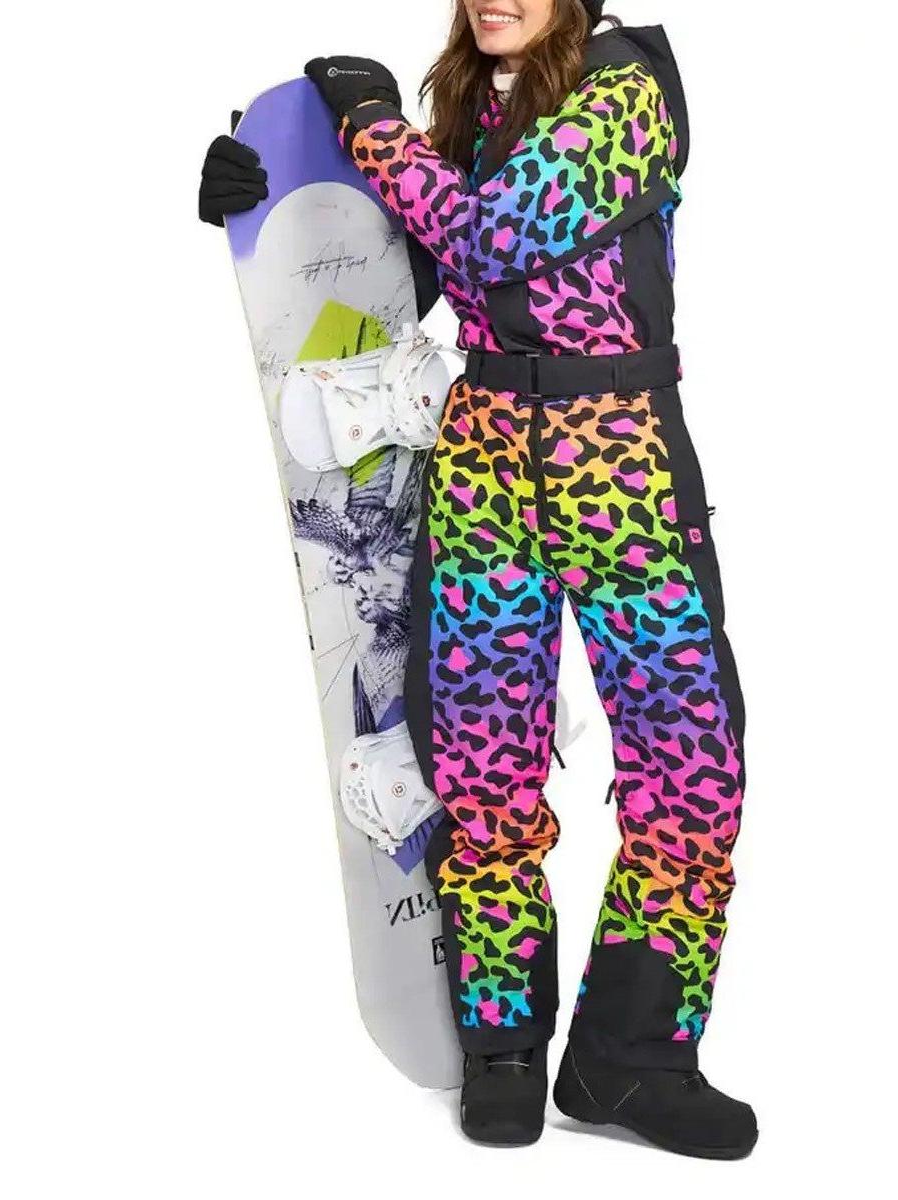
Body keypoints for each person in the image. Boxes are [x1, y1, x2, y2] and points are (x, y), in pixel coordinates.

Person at [199, 0, 755, 1160]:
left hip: (622, 458)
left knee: (689, 764)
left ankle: (631, 1059)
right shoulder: (464, 112)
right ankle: (502, 1047)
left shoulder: (626, 88)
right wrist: (268, 197)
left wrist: (368, 125)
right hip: (486, 459)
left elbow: (499, 236)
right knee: (483, 763)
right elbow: (410, 271)